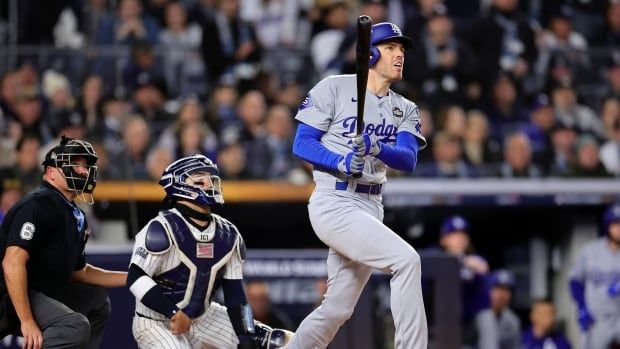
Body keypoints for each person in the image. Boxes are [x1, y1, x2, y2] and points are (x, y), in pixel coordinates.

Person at [283, 22, 428, 349]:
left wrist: (377, 147)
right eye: (391, 47)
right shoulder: (333, 87)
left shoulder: (404, 108)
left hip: (370, 206)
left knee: (336, 309)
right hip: (334, 201)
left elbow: (407, 159)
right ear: (371, 53)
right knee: (406, 260)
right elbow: (302, 144)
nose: (399, 54)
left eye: (401, 49)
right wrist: (340, 161)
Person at [127, 154, 293, 349]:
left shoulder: (229, 234)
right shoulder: (161, 228)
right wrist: (172, 312)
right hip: (156, 320)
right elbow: (135, 277)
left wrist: (246, 336)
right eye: (200, 180)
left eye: (212, 179)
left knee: (278, 342)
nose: (210, 184)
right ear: (179, 185)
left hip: (203, 316)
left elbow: (236, 296)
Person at [0, 136, 127, 349]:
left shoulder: (75, 214)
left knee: (95, 300)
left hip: (36, 291)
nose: (83, 171)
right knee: (73, 325)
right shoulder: (37, 205)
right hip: (6, 294)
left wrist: (132, 276)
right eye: (74, 164)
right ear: (50, 173)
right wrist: (27, 321)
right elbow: (12, 264)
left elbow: (81, 272)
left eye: (85, 166)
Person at [569, 203, 620, 349]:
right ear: (607, 226)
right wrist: (582, 307)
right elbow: (575, 281)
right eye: (616, 223)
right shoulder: (590, 251)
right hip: (598, 318)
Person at [474, 269, 521, 349]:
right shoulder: (475, 314)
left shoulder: (513, 320)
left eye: (506, 290)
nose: (501, 294)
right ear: (488, 290)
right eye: (497, 288)